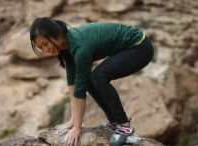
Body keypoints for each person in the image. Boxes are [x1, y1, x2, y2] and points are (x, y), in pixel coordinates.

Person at [29, 17, 154, 146]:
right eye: (40, 47)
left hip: (139, 47)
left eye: (45, 44)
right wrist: (72, 121)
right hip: (129, 48)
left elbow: (80, 89)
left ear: (57, 35)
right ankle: (115, 123)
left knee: (98, 78)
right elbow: (72, 82)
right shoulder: (66, 46)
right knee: (91, 80)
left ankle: (124, 126)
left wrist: (77, 127)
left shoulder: (80, 48)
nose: (45, 50)